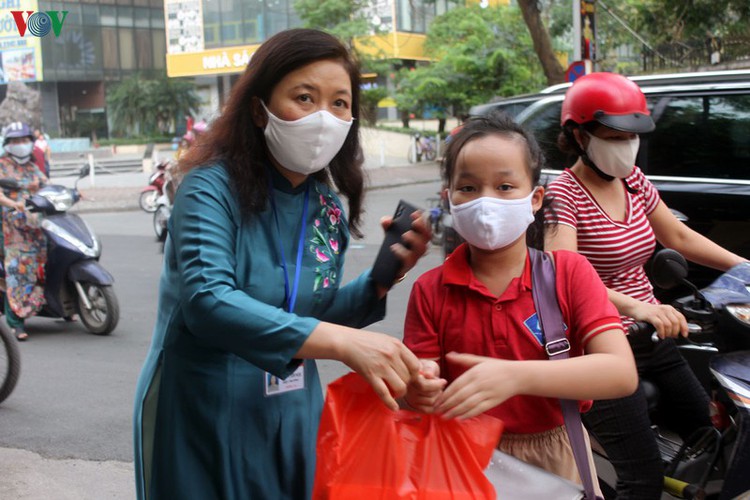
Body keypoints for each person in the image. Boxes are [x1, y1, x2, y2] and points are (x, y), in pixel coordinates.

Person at [132, 29, 431, 500]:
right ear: (259, 109)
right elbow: (208, 301)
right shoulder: (209, 188)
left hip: (292, 407)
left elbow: (313, 314)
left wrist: (381, 276)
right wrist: (344, 343)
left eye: (339, 103)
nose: (323, 118)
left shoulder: (326, 205)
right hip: (203, 406)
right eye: (304, 97)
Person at [402, 111, 637, 489]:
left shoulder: (569, 273)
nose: (486, 202)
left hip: (557, 458)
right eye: (469, 188)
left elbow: (620, 373)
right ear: (449, 200)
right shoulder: (431, 289)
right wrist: (417, 388)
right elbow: (418, 387)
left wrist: (514, 376)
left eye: (505, 187)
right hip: (462, 461)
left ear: (535, 198)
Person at [544, 72, 748, 499]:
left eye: (632, 136)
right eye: (615, 135)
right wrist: (637, 308)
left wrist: (745, 268)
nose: (627, 145)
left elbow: (679, 238)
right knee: (643, 480)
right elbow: (565, 270)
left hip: (653, 336)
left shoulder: (633, 180)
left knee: (715, 439)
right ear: (578, 135)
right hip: (598, 345)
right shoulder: (564, 195)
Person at [0, 122, 48, 341]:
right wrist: (13, 203)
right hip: (12, 229)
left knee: (40, 269)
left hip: (35, 226)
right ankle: (16, 323)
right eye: (16, 141)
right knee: (17, 272)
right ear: (8, 144)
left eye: (24, 140)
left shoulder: (31, 165)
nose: (21, 145)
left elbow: (46, 184)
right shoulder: (2, 165)